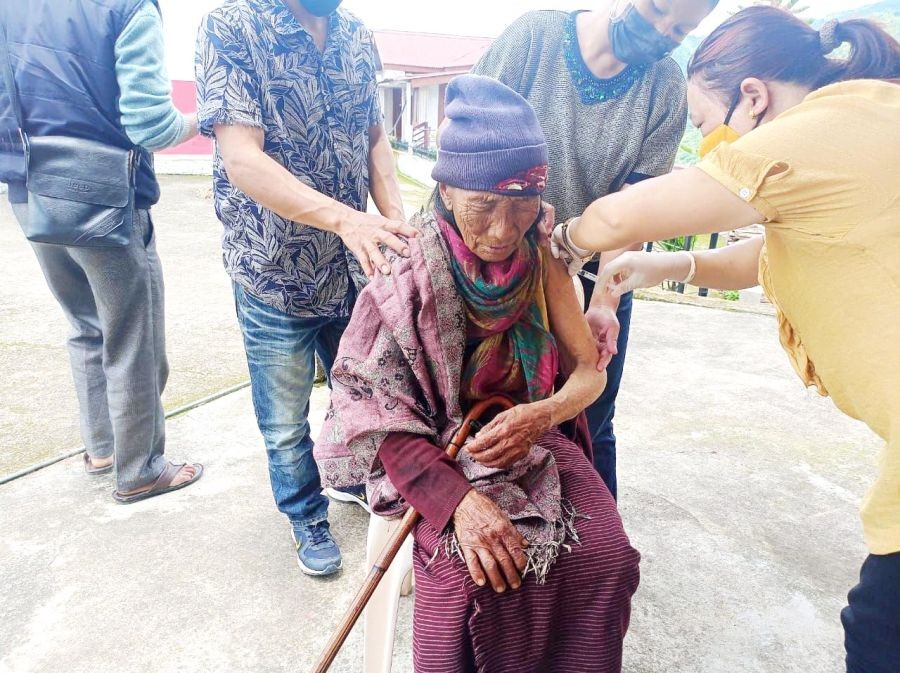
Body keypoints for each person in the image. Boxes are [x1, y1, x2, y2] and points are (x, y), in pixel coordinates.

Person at [550, 7, 900, 672]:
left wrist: (563, 243)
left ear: (754, 97)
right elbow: (785, 249)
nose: (709, 145)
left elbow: (618, 216)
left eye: (707, 126)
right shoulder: (865, 118)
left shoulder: (814, 131)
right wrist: (673, 265)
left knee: (880, 631)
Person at [316, 75, 641, 673]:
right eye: (484, 206)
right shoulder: (404, 272)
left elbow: (588, 374)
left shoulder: (541, 257)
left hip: (529, 434)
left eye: (521, 206)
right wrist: (458, 502)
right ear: (445, 188)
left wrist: (542, 414)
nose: (501, 229)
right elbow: (375, 415)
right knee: (468, 582)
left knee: (607, 559)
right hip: (427, 451)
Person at [194, 0, 416, 577]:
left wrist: (395, 224)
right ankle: (305, 514)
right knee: (284, 420)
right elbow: (242, 158)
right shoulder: (233, 27)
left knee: (363, 396)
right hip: (274, 274)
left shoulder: (355, 36)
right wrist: (347, 220)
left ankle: (349, 478)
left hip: (351, 268)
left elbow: (374, 138)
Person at [473, 0, 719, 499]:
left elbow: (636, 208)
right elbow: (469, 142)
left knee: (591, 411)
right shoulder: (534, 38)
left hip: (594, 271)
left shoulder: (665, 87)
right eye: (657, 10)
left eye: (681, 29)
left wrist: (605, 300)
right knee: (488, 402)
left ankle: (596, 531)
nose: (662, 31)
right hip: (499, 257)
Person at [0, 0, 202, 502]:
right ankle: (141, 470)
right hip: (104, 195)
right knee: (134, 338)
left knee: (85, 326)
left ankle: (104, 449)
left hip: (30, 189)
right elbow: (152, 126)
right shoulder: (129, 9)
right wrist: (210, 118)